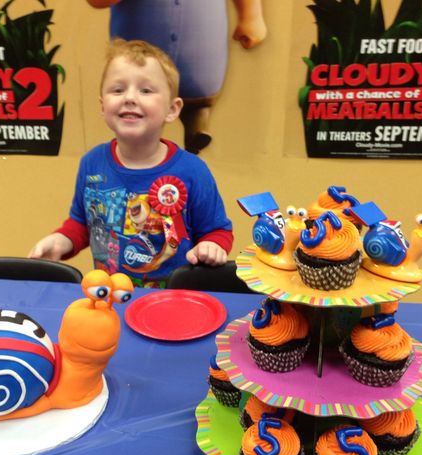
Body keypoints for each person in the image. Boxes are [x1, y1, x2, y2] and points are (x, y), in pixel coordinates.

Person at [29, 39, 233, 287]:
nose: (129, 98)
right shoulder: (91, 163)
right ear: (103, 106)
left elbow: (218, 230)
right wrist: (60, 241)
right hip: (111, 298)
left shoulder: (193, 170)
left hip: (175, 302)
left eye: (146, 90)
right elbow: (83, 223)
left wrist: (212, 246)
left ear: (172, 109)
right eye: (117, 90)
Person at [86, 0, 267, 154]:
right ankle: (138, 141)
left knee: (198, 89)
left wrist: (251, 17)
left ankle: (197, 124)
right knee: (138, 92)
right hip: (140, 42)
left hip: (202, 46)